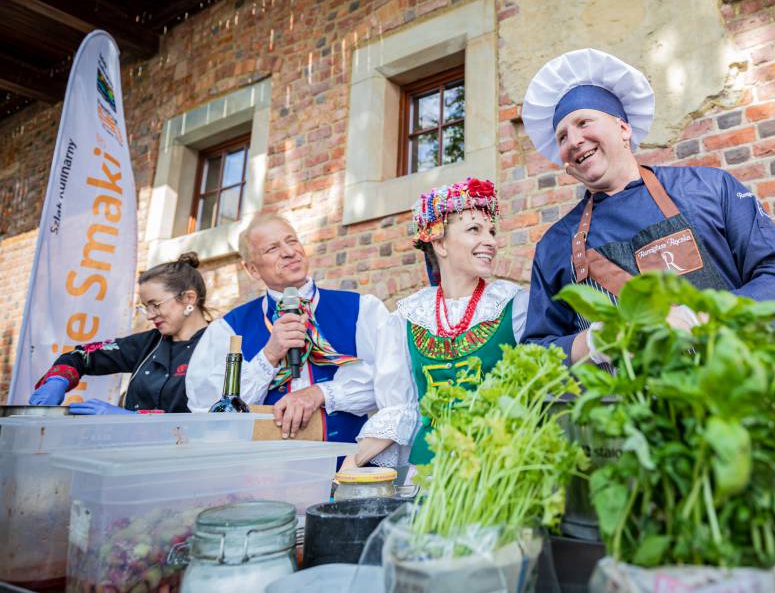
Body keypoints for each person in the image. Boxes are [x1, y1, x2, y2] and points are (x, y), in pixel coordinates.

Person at [520, 48, 775, 364]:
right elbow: (534, 354)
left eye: (583, 122)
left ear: (623, 128)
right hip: (625, 412)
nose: (573, 141)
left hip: (738, 400)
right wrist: (593, 342)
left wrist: (699, 321)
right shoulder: (554, 246)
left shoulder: (710, 189)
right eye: (562, 136)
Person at [346, 178, 529, 468]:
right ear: (441, 243)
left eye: (492, 231)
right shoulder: (407, 316)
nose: (491, 241)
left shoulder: (514, 305)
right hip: (428, 472)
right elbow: (400, 410)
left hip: (500, 466)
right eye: (474, 230)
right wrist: (353, 463)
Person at [186, 212, 385, 442]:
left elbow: (390, 383)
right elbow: (207, 408)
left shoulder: (361, 309)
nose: (290, 252)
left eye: (292, 241)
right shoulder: (228, 329)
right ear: (252, 269)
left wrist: (321, 393)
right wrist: (269, 356)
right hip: (265, 471)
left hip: (349, 465)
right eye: (272, 249)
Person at [28, 252, 213, 413]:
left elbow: (213, 418)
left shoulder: (219, 346)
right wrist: (58, 380)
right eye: (145, 307)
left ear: (189, 298)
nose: (149, 316)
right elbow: (80, 356)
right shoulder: (148, 343)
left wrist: (132, 420)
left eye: (155, 305)